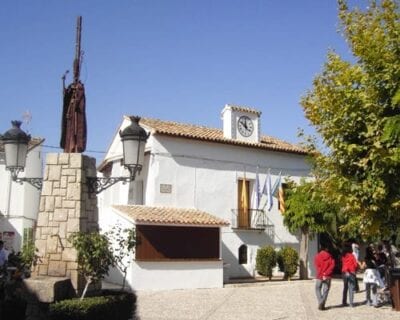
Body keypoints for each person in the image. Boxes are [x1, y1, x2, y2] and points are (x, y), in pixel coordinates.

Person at [314, 245, 335, 310]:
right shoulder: (330, 257)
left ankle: (320, 302)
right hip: (327, 276)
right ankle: (322, 303)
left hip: (319, 275)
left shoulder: (317, 256)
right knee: (326, 290)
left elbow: (316, 265)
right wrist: (326, 273)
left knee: (317, 288)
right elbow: (332, 266)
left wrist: (321, 273)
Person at [341, 243, 358, 307]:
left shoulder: (343, 256)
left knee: (345, 288)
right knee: (351, 288)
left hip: (344, 272)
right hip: (351, 273)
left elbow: (343, 263)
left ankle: (344, 302)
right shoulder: (352, 256)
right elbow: (355, 264)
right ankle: (351, 303)